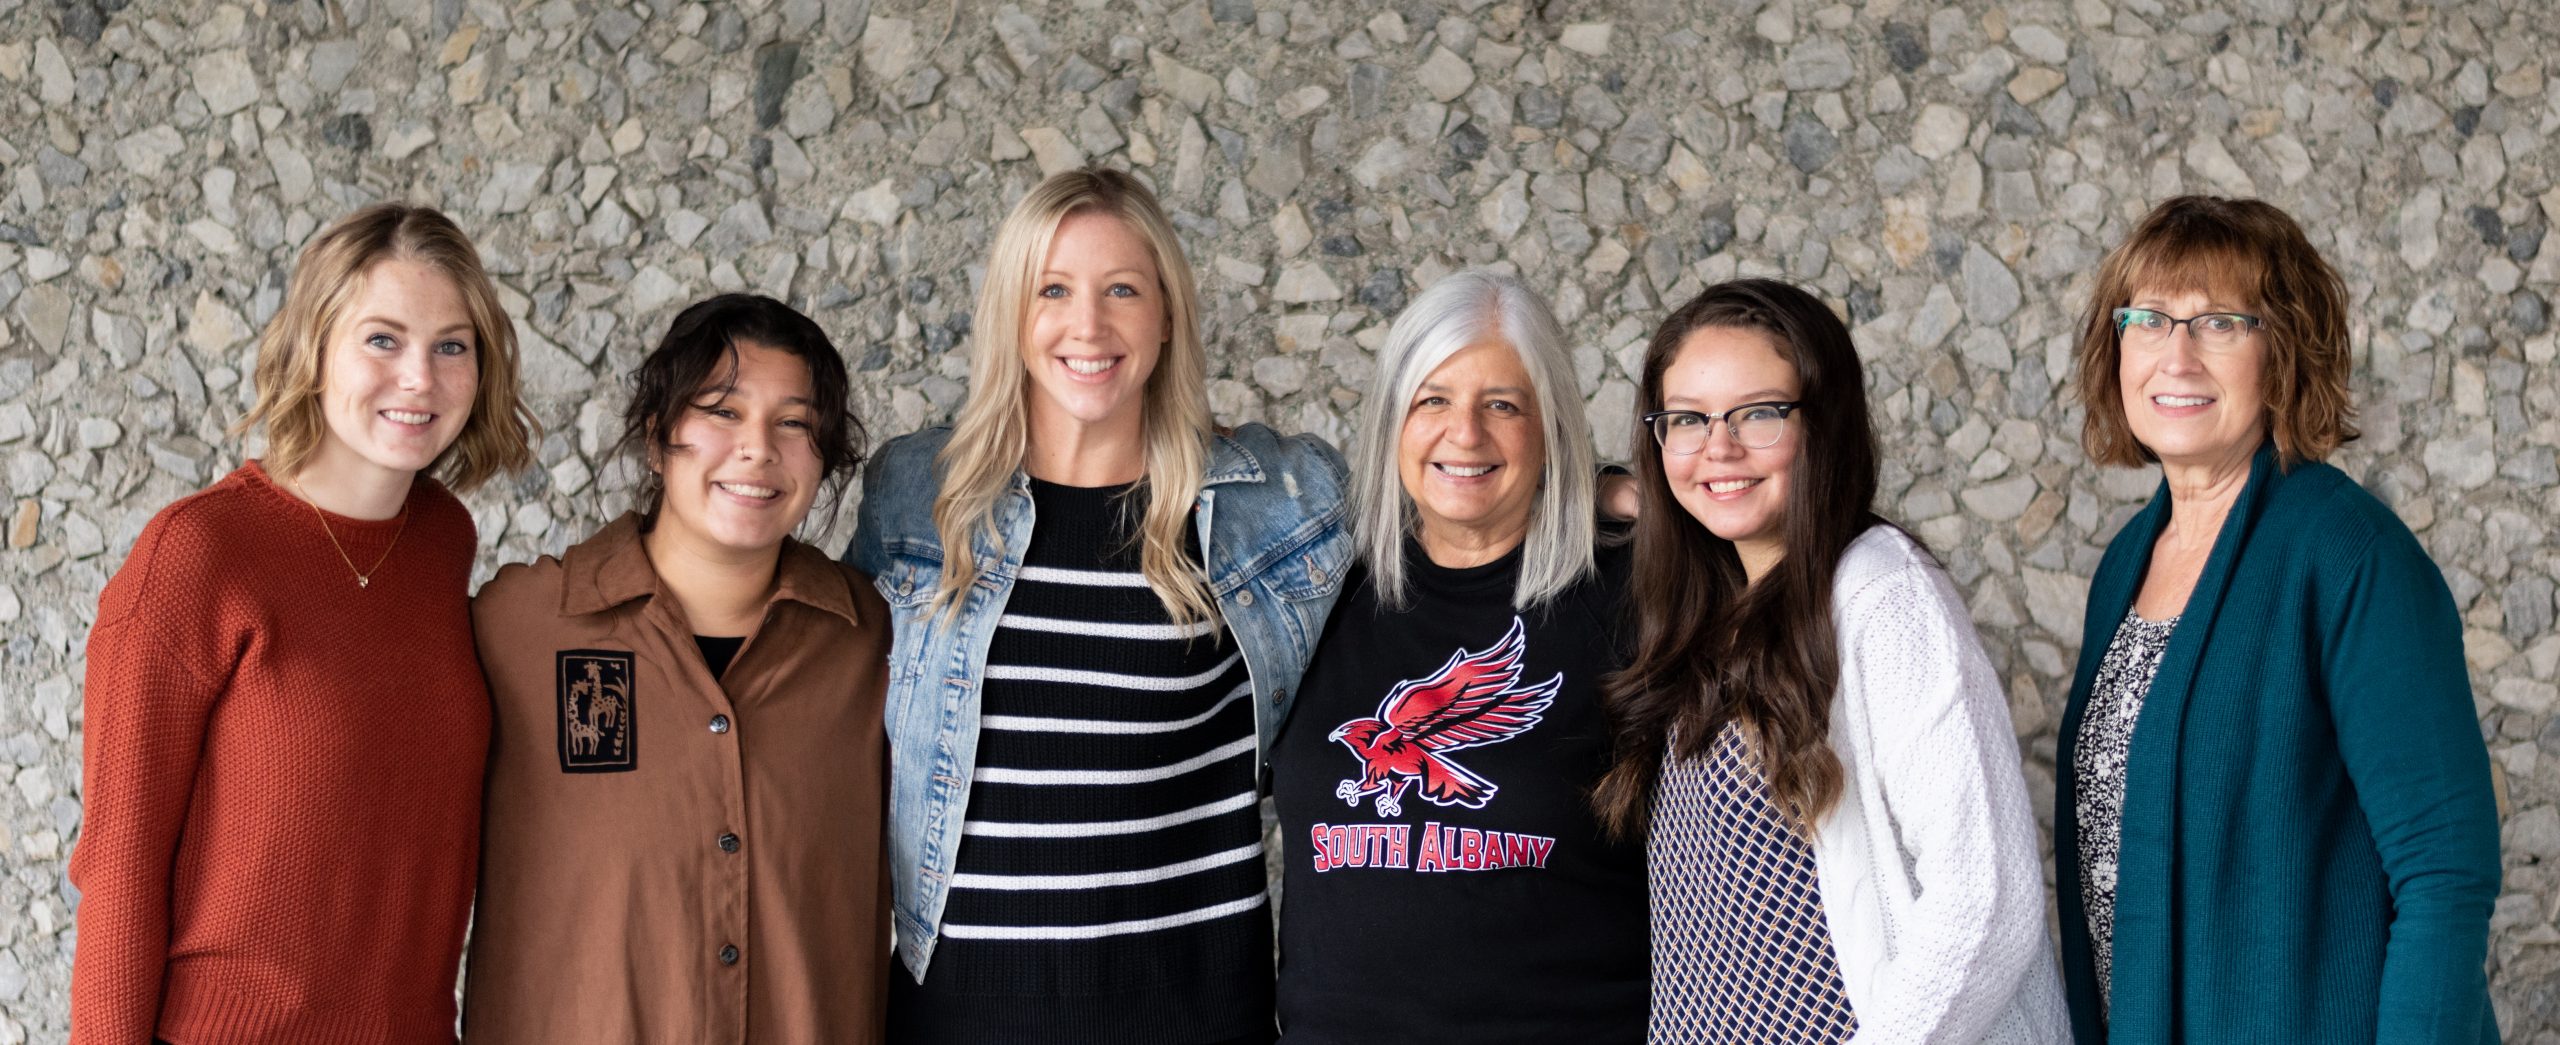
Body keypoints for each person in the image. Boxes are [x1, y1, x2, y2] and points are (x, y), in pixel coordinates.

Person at [846, 167, 1350, 1044]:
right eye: (1054, 289)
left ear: (1165, 318)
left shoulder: (1276, 501)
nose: (1089, 325)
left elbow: (1459, 512)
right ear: (1013, 313)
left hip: (1194, 1016)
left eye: (1123, 289)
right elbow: (820, 683)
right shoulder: (915, 495)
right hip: (960, 1016)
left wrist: (1618, 496)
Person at [68, 204, 533, 1044]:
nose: (420, 378)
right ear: (313, 348)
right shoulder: (200, 552)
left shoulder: (440, 540)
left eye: (451, 345)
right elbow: (121, 866)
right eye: (382, 339)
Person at [2054, 196, 2500, 1044]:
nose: (2175, 356)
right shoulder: (2125, 565)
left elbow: (2446, 871)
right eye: (2148, 319)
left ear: (2284, 350)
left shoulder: (2349, 555)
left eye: (2221, 323)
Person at [1595, 279, 2066, 1043]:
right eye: (1688, 419)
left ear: (1825, 424)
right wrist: (1616, 492)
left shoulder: (1882, 595)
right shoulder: (1710, 611)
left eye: (1758, 413)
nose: (1720, 446)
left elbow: (1986, 899)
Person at [461, 294, 891, 1043]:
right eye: (722, 411)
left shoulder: (872, 644)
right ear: (658, 438)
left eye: (794, 422)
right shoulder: (521, 628)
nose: (758, 448)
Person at [1268, 271, 1648, 1043]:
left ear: (1552, 427)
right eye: (1432, 399)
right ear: (1392, 423)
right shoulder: (1313, 588)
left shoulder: (1636, 591)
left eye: (1502, 404)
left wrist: (1655, 502)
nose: (1464, 433)